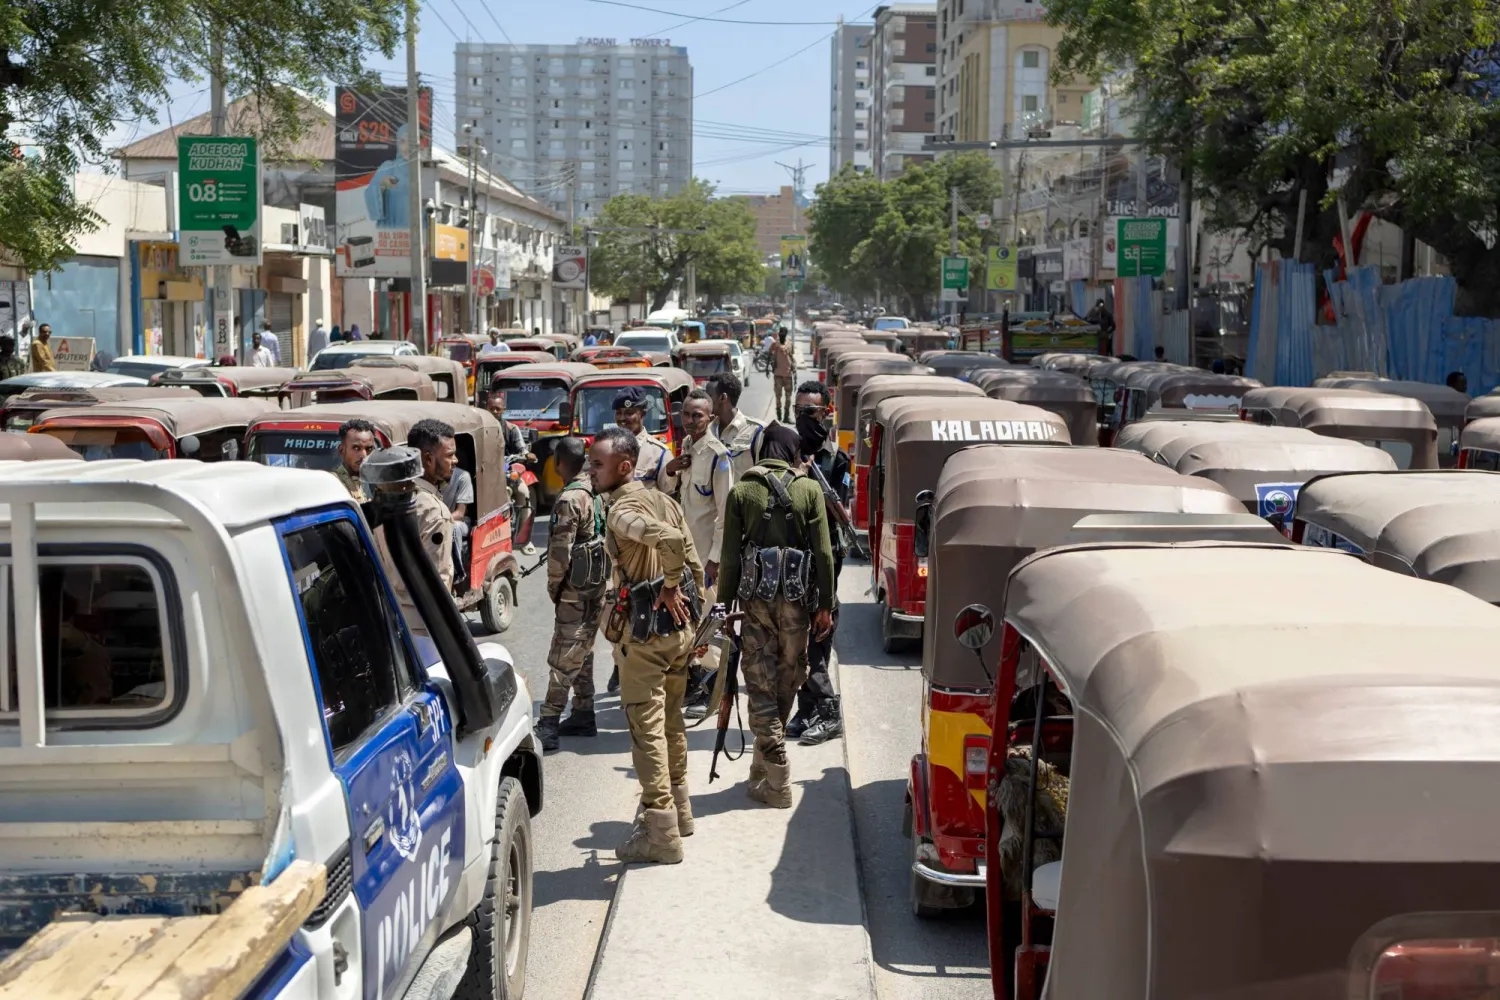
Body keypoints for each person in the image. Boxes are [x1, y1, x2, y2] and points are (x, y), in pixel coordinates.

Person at [593, 425, 703, 863]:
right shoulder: (666, 501)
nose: (591, 470)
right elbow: (693, 559)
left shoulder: (622, 511)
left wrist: (670, 587)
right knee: (672, 722)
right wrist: (693, 618)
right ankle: (681, 811)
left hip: (646, 636)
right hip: (678, 634)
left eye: (598, 464)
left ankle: (660, 832)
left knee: (646, 728)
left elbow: (674, 546)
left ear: (624, 467)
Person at [717, 423, 835, 808]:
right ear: (793, 452)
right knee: (788, 677)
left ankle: (776, 773)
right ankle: (766, 766)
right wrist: (825, 606)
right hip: (799, 604)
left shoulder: (742, 491)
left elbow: (731, 558)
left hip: (756, 604)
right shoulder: (810, 489)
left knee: (759, 681)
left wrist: (724, 605)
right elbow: (824, 554)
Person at [534, 437, 609, 752]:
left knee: (564, 654)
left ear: (558, 463)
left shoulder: (569, 499)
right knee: (584, 648)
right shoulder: (595, 492)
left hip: (574, 590)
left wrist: (555, 586)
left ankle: (549, 722)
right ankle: (582, 712)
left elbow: (560, 552)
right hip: (595, 586)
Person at [787, 380, 849, 745]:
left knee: (818, 633)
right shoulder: (788, 449)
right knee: (796, 634)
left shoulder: (834, 459)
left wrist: (811, 479)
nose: (802, 419)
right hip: (794, 556)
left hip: (825, 556)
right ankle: (807, 708)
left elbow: (840, 511)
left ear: (825, 413)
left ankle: (828, 712)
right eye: (797, 412)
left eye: (809, 412)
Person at [670, 390, 733, 719]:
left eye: (698, 415)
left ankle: (710, 684)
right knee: (688, 619)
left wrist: (716, 558)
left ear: (711, 417)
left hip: (706, 557)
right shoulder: (686, 450)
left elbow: (725, 512)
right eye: (687, 415)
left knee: (710, 618)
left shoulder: (718, 455)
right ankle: (693, 678)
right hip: (683, 552)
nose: (691, 421)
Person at [371, 440, 454, 637]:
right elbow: (438, 581)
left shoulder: (376, 507)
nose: (455, 460)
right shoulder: (433, 510)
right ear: (425, 460)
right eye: (450, 455)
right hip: (425, 623)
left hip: (389, 616)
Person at [484, 390, 537, 555]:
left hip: (505, 469)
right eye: (491, 408)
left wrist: (526, 454)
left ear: (503, 410)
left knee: (523, 492)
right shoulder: (480, 428)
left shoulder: (511, 429)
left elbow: (521, 448)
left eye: (498, 409)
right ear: (486, 408)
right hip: (483, 471)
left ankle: (523, 538)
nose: (494, 412)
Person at [612, 389, 676, 494]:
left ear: (643, 414)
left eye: (629, 413)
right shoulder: (608, 448)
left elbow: (669, 494)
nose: (622, 418)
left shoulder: (660, 453)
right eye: (619, 413)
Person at [706, 372, 765, 482]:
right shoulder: (707, 430)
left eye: (709, 396)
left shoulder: (756, 432)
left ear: (723, 398)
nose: (705, 402)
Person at [333, 418, 378, 501]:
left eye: (369, 449)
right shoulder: (334, 484)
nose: (364, 456)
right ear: (341, 450)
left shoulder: (375, 481)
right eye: (356, 448)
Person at [770, 329, 796, 422]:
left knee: (788, 398)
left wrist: (794, 369)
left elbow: (792, 357)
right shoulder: (775, 344)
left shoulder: (790, 344)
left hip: (788, 375)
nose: (781, 335)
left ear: (785, 334)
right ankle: (779, 416)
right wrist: (767, 367)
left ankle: (786, 417)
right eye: (780, 333)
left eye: (783, 333)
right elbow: (769, 353)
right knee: (778, 397)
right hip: (778, 375)